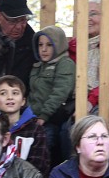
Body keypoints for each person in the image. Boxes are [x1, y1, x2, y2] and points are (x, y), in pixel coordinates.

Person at [67, 0, 109, 105]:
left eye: (93, 14)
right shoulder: (72, 46)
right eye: (83, 14)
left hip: (107, 102)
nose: (87, 18)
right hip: (73, 102)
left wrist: (90, 101)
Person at [28, 25, 75, 164]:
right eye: (40, 45)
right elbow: (33, 93)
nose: (43, 49)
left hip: (52, 118)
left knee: (45, 143)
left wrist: (44, 116)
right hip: (33, 118)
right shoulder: (38, 66)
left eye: (49, 45)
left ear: (58, 45)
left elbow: (60, 92)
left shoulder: (65, 64)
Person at [0, 74, 49, 178]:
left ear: (23, 101)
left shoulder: (36, 130)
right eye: (3, 93)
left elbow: (39, 168)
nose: (10, 97)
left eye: (15, 93)